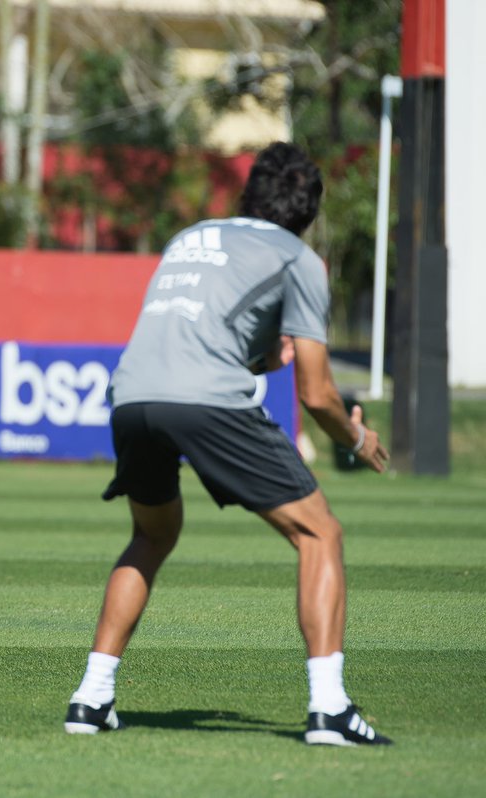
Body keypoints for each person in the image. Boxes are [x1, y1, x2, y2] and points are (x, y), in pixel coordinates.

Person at [64, 142, 393, 746]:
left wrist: (263, 355)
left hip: (133, 395)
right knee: (321, 532)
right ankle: (329, 710)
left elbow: (211, 336)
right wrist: (358, 437)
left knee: (152, 533)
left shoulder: (191, 237)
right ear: (308, 213)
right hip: (208, 401)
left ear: (248, 194)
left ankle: (91, 698)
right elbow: (317, 394)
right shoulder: (300, 259)